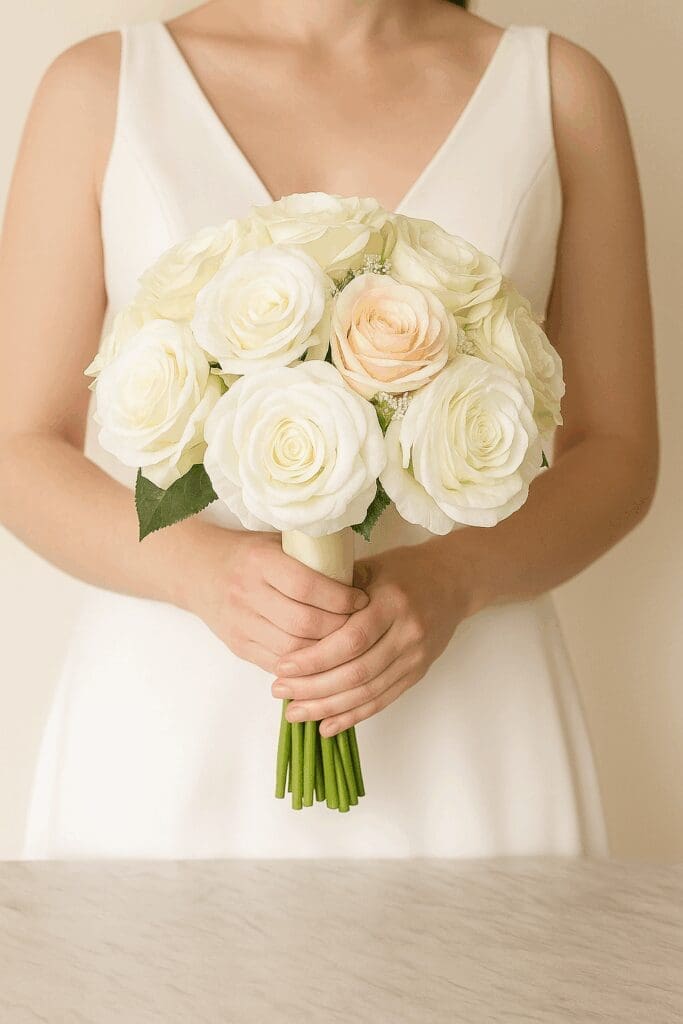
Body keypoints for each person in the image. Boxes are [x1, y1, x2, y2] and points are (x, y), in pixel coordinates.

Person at [0, 0, 657, 858]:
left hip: (469, 720)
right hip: (170, 721)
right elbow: (19, 446)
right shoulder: (98, 85)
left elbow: (617, 449)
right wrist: (201, 573)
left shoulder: (558, 88)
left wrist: (455, 578)